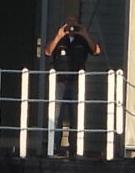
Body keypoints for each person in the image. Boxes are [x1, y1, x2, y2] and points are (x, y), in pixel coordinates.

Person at [41, 16, 102, 154]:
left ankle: (74, 147)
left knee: (76, 114)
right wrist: (58, 35)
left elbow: (96, 50)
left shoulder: (82, 40)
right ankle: (54, 146)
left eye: (74, 23)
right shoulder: (60, 39)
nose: (71, 26)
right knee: (56, 115)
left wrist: (85, 34)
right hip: (60, 82)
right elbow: (47, 51)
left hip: (76, 82)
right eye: (69, 23)